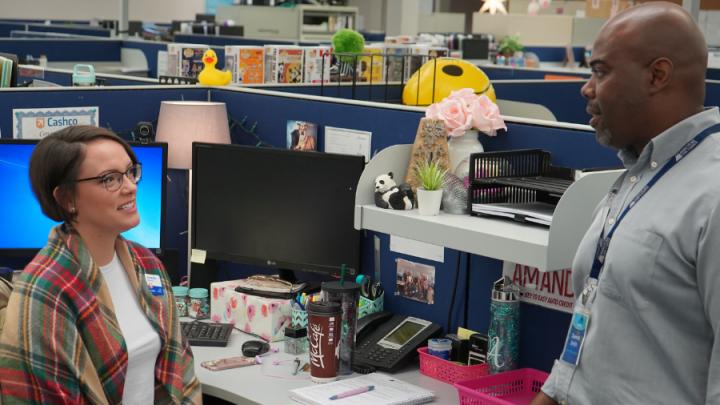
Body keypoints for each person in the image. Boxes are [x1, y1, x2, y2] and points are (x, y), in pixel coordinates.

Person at [532, 2, 719, 404]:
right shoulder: (638, 172)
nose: (586, 88)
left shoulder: (712, 193)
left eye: (600, 71)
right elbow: (588, 337)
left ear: (657, 75)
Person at [0, 126, 202, 404]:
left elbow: (181, 367)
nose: (131, 187)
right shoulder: (45, 290)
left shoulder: (146, 263)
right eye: (110, 179)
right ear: (66, 199)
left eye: (131, 172)